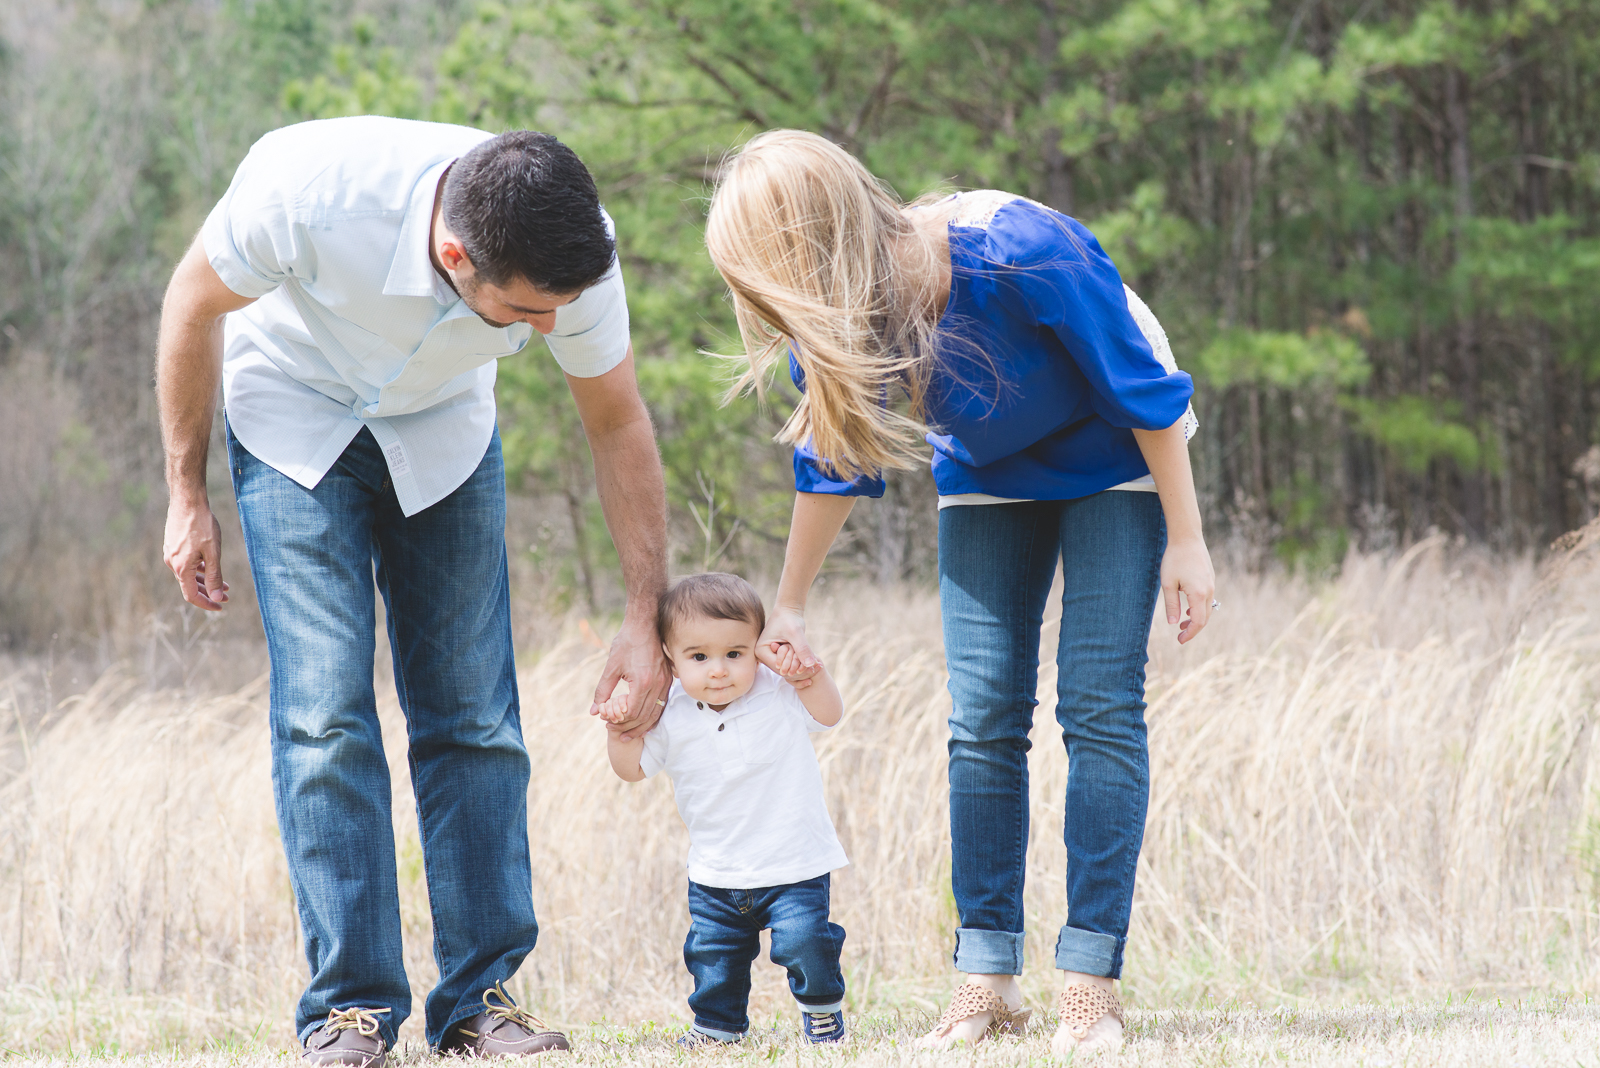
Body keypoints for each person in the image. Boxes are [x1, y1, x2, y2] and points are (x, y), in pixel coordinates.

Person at [155, 116, 671, 1065]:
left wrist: (647, 617)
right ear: (453, 252)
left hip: (442, 431)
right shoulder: (305, 192)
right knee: (324, 713)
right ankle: (349, 1011)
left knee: (474, 714)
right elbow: (191, 305)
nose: (550, 331)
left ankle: (480, 1001)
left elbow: (616, 421)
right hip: (294, 414)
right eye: (523, 314)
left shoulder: (572, 253)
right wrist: (187, 493)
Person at [703, 130, 1217, 1056]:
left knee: (1099, 705)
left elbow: (1145, 390)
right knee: (982, 717)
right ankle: (987, 980)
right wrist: (790, 607)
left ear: (822, 241)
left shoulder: (1021, 252)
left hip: (1118, 458)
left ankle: (1091, 985)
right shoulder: (836, 322)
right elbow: (833, 466)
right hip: (988, 471)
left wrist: (1187, 538)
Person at [597, 573, 850, 1047]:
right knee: (713, 957)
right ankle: (718, 1027)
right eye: (699, 657)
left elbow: (828, 714)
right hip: (715, 871)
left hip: (793, 863)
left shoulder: (777, 689)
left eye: (735, 654)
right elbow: (633, 770)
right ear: (669, 657)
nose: (719, 670)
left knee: (805, 943)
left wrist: (808, 675)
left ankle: (821, 1011)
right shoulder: (666, 710)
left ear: (756, 646)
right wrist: (620, 735)